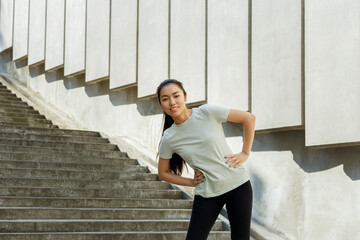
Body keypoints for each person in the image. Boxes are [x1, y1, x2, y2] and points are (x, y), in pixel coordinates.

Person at [157, 79, 256, 240]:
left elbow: (249, 118)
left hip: (238, 185)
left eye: (176, 96)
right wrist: (191, 182)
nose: (172, 102)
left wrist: (245, 152)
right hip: (207, 194)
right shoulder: (169, 138)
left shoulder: (206, 112)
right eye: (165, 99)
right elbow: (163, 173)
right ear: (161, 104)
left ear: (185, 97)